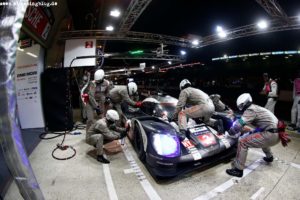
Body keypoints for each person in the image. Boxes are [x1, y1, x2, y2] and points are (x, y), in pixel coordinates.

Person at [226, 93, 280, 177]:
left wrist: (229, 132)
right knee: (257, 134)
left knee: (242, 141)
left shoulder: (250, 110)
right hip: (277, 135)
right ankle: (269, 156)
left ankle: (238, 170)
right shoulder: (257, 108)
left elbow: (239, 124)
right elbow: (244, 120)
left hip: (270, 135)